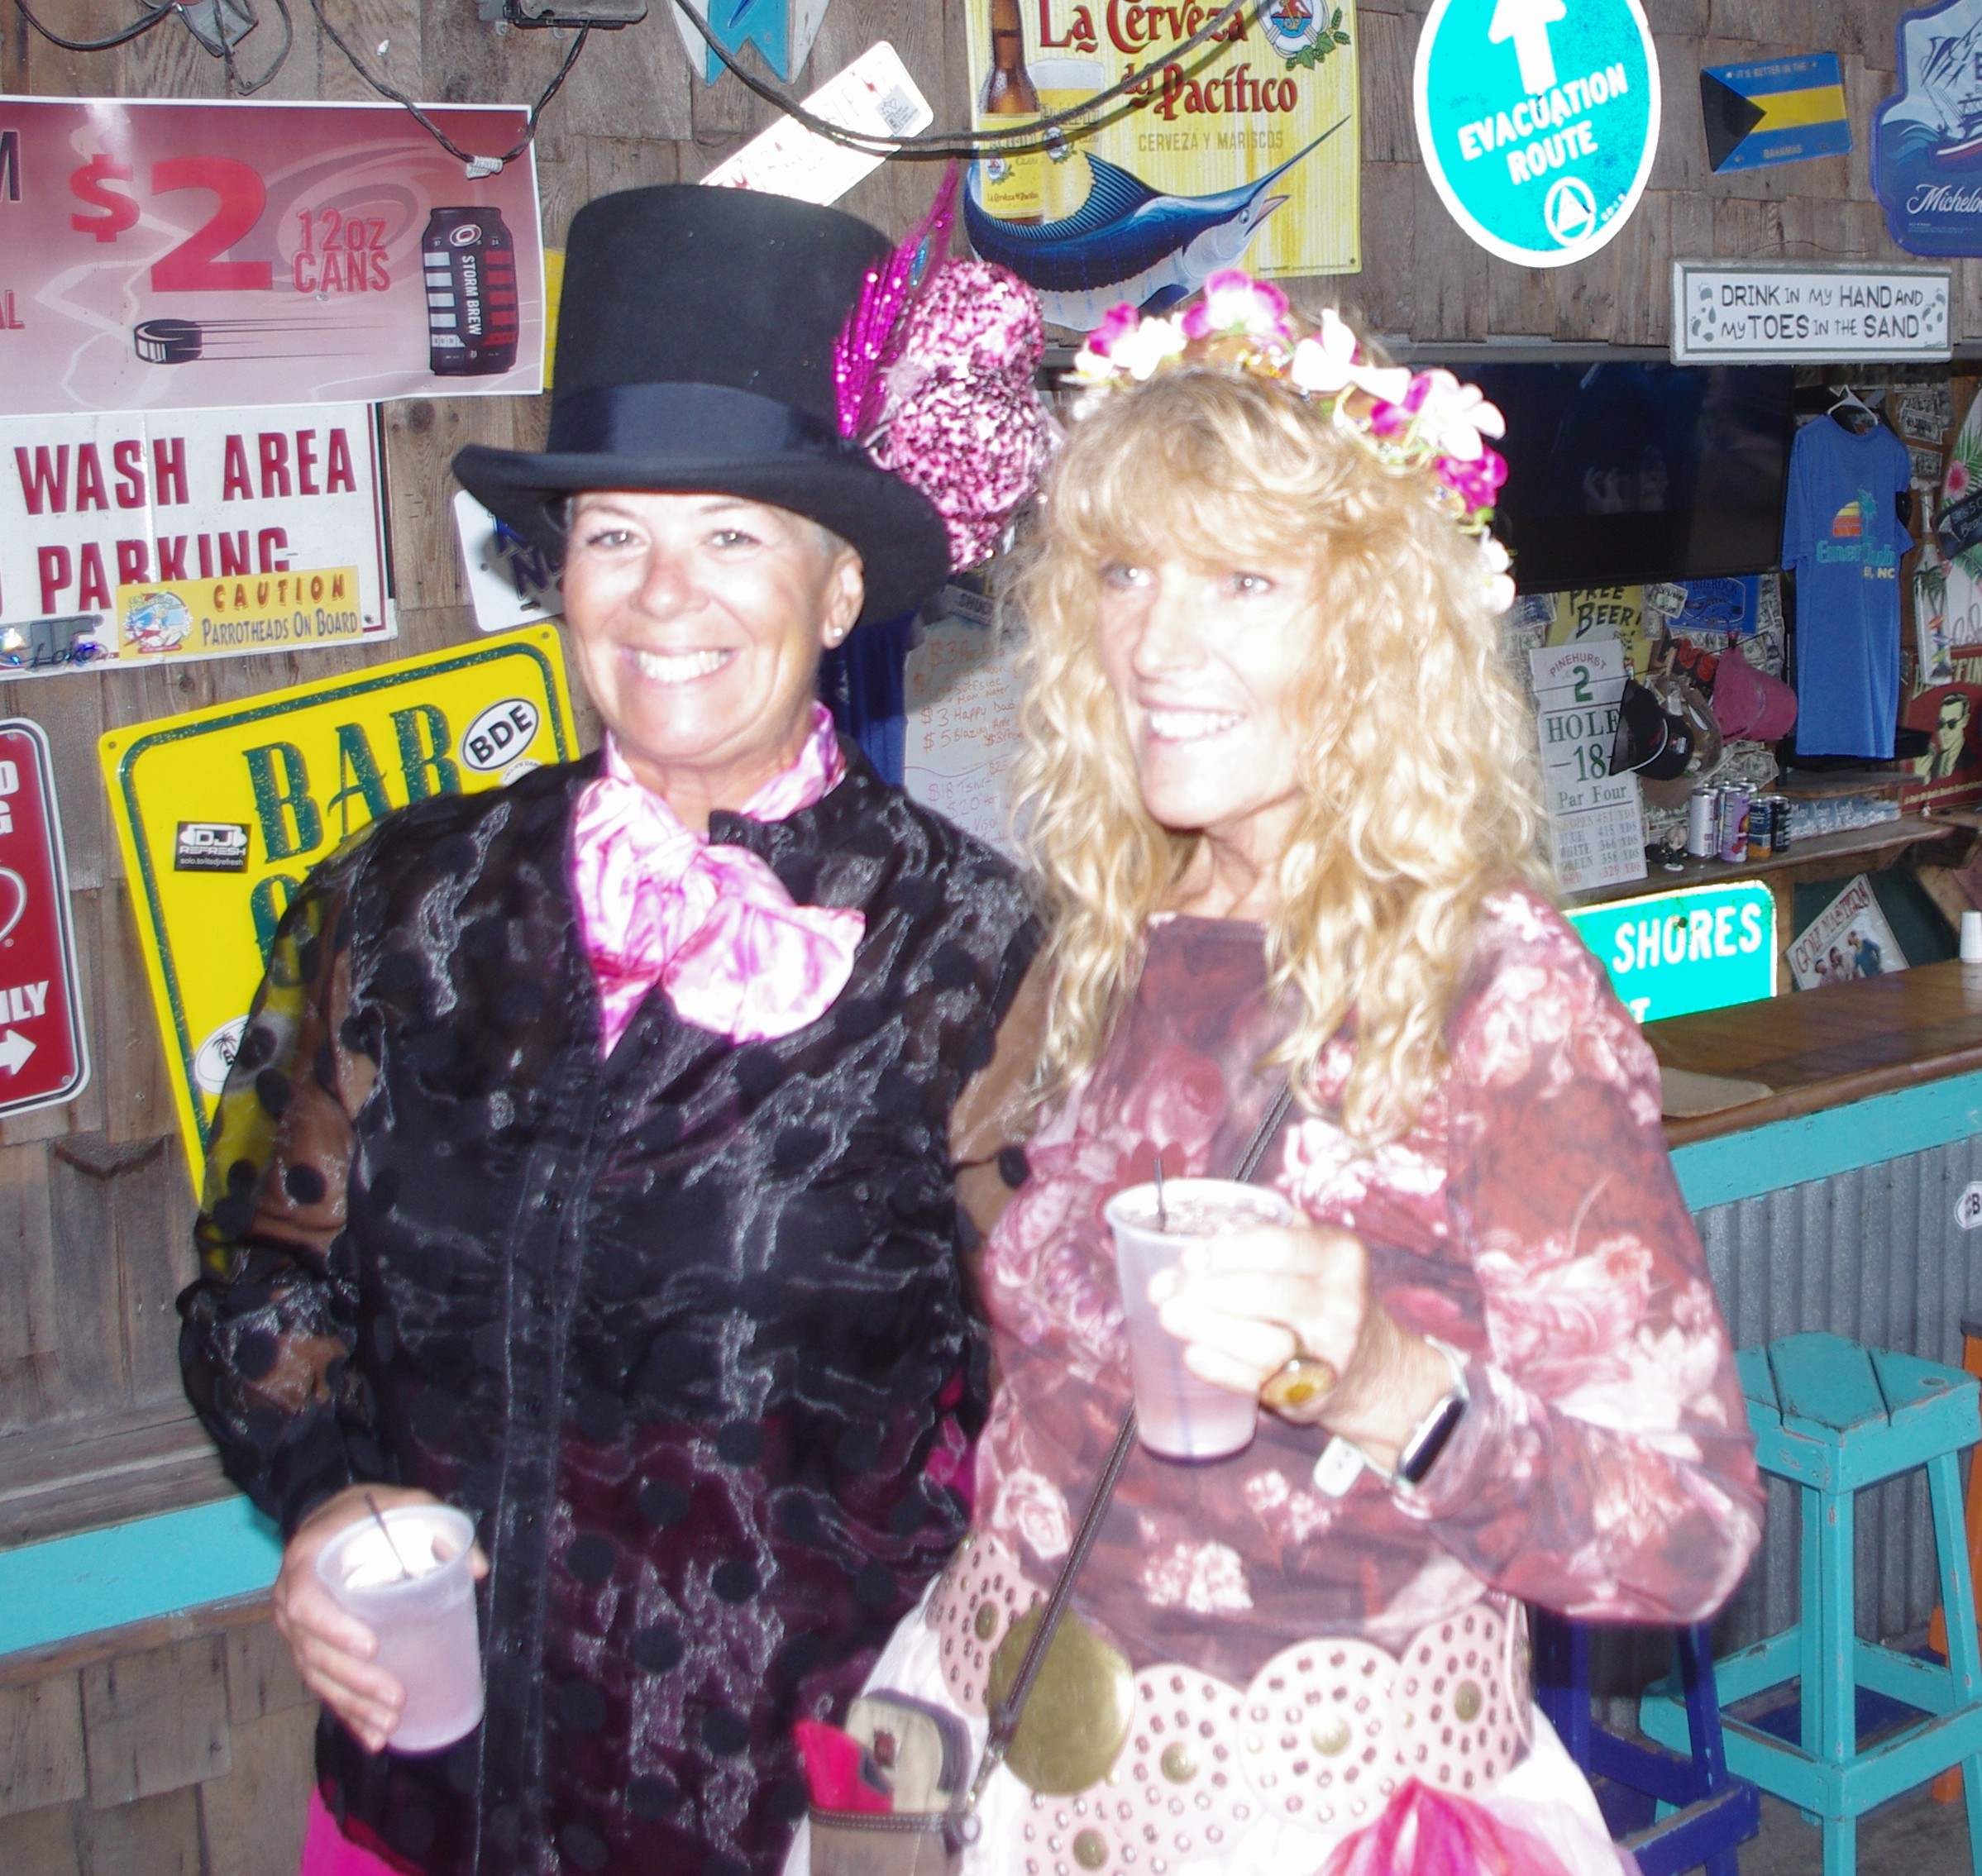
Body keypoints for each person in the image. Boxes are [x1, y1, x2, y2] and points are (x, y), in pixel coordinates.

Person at [800, 278, 1765, 1876]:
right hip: (975, 1744)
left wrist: (1384, 1380)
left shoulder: (1496, 989)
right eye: (1122, 570)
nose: (1153, 643)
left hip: (1304, 1813)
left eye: (1243, 579)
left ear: (1373, 632)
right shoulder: (1110, 933)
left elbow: (1688, 1533)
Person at [178, 184, 1053, 1876]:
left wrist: (927, 1796)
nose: (663, 597)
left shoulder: (971, 951)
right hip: (419, 1801)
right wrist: (325, 1496)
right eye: (612, 535)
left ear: (836, 586)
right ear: (556, 569)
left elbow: (1057, 1430)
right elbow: (266, 1273)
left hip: (801, 1825)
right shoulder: (400, 898)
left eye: (731, 535)